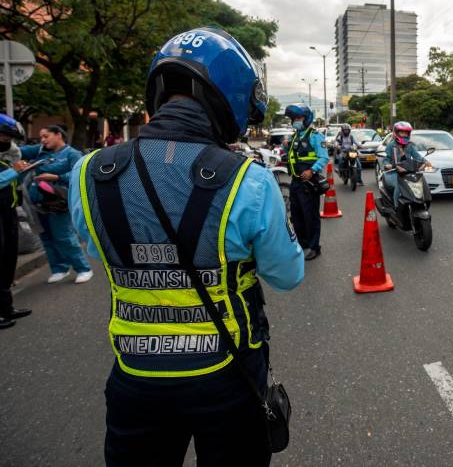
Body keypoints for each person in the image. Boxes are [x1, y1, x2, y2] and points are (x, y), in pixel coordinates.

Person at [69, 26, 304, 467]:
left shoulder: (86, 174)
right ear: (232, 96)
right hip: (227, 374)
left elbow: (104, 254)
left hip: (135, 378)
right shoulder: (247, 180)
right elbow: (288, 276)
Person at [19, 126, 92, 284]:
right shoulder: (40, 150)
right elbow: (19, 151)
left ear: (59, 135)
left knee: (64, 236)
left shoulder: (72, 154)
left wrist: (56, 176)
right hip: (38, 202)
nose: (43, 140)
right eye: (41, 138)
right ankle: (59, 268)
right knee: (46, 237)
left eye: (46, 136)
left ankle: (83, 268)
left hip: (59, 202)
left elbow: (79, 174)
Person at [0, 115, 33, 329]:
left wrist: (21, 171)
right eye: (4, 136)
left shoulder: (4, 158)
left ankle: (6, 307)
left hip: (7, 213)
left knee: (7, 260)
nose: (6, 141)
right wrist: (14, 171)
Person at [284, 103, 328, 261]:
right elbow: (291, 156)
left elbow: (324, 157)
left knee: (310, 216)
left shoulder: (315, 135)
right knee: (296, 216)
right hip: (295, 182)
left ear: (307, 118)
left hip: (309, 183)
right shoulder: (295, 136)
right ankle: (302, 245)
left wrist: (312, 170)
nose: (295, 121)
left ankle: (314, 247)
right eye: (293, 118)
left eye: (298, 118)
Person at [382, 121, 431, 207]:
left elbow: (417, 156)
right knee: (399, 187)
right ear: (396, 133)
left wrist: (426, 162)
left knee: (420, 183)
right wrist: (387, 165)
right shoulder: (390, 145)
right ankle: (396, 207)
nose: (404, 135)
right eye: (402, 132)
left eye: (406, 133)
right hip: (394, 172)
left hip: (408, 171)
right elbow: (386, 159)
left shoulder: (410, 145)